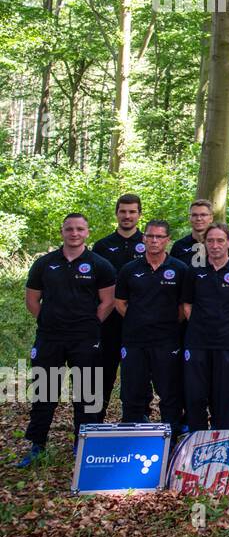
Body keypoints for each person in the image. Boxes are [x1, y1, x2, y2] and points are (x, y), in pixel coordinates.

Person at [18, 214, 116, 468]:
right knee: (45, 392)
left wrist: (89, 325)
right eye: (69, 229)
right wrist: (50, 321)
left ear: (87, 232)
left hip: (85, 339)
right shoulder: (44, 263)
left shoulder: (100, 264)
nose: (74, 233)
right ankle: (37, 445)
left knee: (86, 394)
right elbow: (32, 300)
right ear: (62, 232)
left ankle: (82, 446)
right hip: (50, 338)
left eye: (79, 229)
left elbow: (108, 301)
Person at [114, 219, 187, 437]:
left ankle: (171, 436)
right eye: (150, 236)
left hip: (167, 340)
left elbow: (184, 307)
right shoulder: (129, 269)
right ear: (144, 238)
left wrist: (163, 322)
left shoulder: (179, 269)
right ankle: (132, 435)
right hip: (135, 340)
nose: (154, 241)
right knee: (132, 391)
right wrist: (141, 319)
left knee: (169, 391)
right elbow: (120, 303)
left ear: (167, 240)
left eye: (159, 237)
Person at [181, 223, 229, 431]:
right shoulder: (194, 270)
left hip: (228, 344)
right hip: (197, 342)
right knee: (195, 395)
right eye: (210, 241)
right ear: (204, 244)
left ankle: (224, 438)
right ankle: (196, 439)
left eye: (220, 240)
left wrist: (226, 328)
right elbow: (187, 305)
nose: (215, 245)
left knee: (226, 396)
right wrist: (203, 326)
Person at [91, 192, 145, 406]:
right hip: (109, 321)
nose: (127, 216)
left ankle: (135, 419)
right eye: (123, 211)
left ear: (139, 214)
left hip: (138, 321)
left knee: (137, 376)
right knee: (103, 373)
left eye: (132, 211)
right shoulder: (102, 246)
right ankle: (95, 419)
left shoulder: (149, 243)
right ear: (116, 213)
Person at [170, 199, 229, 267]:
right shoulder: (179, 246)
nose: (199, 218)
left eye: (203, 215)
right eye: (194, 215)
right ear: (189, 218)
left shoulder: (224, 245)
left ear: (211, 218)